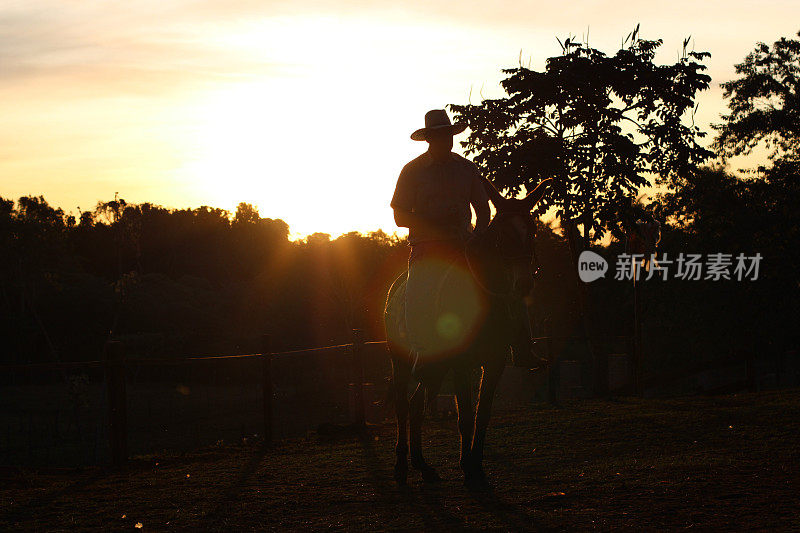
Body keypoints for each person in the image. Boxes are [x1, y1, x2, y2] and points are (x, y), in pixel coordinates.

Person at [391, 109, 490, 377]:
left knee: (501, 283)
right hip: (427, 248)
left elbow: (483, 209)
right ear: (429, 140)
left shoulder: (467, 168)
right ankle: (422, 352)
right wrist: (432, 224)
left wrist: (479, 237)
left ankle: (517, 343)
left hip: (464, 246)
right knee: (417, 294)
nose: (445, 141)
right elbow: (399, 215)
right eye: (439, 136)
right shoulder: (411, 171)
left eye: (448, 135)